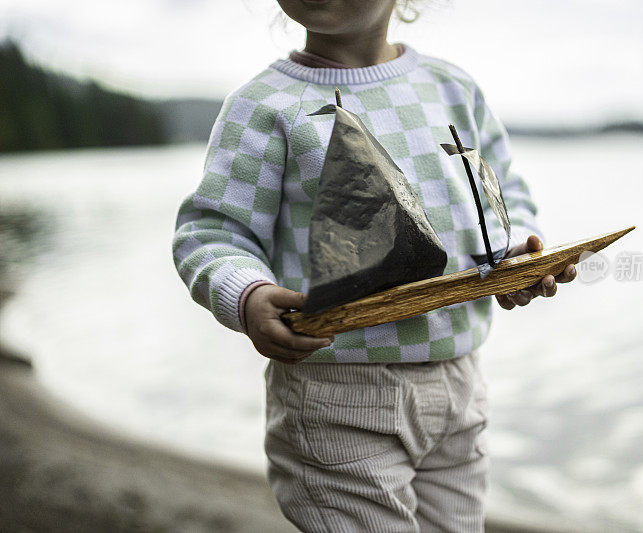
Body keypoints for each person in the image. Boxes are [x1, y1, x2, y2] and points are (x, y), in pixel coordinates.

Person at [172, 0, 576, 530]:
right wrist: (245, 295)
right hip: (336, 395)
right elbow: (212, 232)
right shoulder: (264, 105)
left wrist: (518, 255)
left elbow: (503, 192)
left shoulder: (454, 89)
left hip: (459, 385)